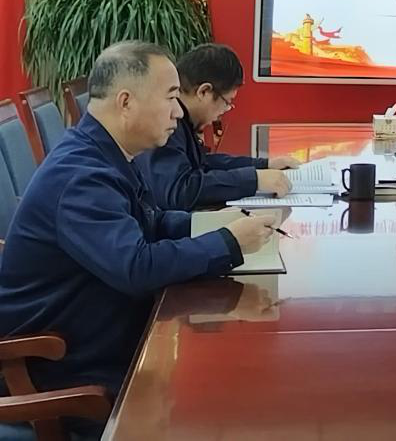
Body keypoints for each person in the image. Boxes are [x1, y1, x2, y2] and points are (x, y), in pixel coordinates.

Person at [0, 41, 277, 399]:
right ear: (126, 102)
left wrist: (213, 226)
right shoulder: (81, 177)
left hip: (101, 339)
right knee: (226, 393)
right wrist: (228, 242)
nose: (177, 112)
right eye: (170, 96)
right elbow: (137, 268)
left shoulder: (105, 154)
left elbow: (149, 221)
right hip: (63, 370)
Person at [140, 43, 299, 209]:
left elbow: (203, 164)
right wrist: (254, 180)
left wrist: (263, 165)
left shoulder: (183, 123)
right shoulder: (168, 123)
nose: (225, 111)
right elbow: (179, 191)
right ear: (204, 92)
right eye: (227, 102)